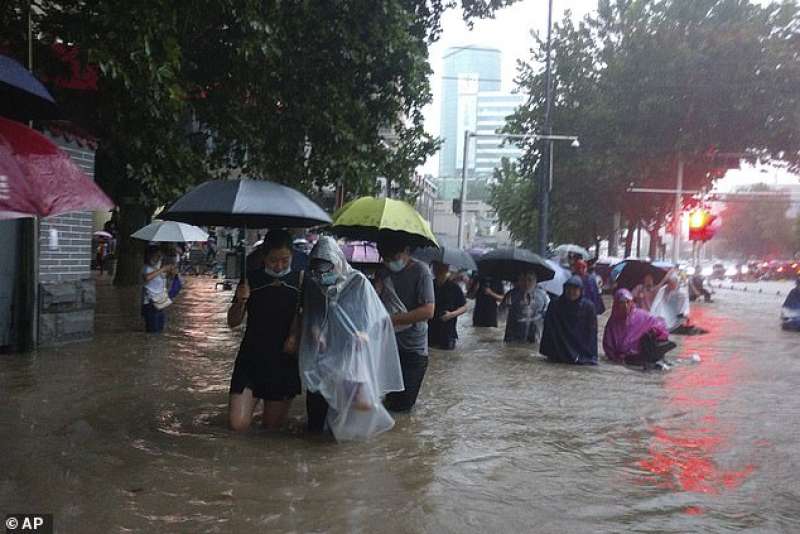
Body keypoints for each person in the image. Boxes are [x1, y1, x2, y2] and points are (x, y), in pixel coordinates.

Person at [299, 237, 404, 440]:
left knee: (348, 409)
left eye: (327, 271)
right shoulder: (313, 284)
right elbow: (310, 315)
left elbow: (375, 316)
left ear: (338, 263)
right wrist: (314, 330)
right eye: (318, 272)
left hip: (348, 356)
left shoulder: (358, 283)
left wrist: (364, 333)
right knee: (315, 418)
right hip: (322, 357)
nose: (323, 276)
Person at [226, 230, 303, 432]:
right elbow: (233, 322)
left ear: (292, 256)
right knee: (238, 425)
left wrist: (295, 337)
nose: (278, 265)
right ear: (264, 257)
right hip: (251, 358)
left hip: (283, 361)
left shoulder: (301, 281)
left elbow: (307, 318)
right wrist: (240, 302)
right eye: (273, 260)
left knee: (270, 430)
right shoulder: (250, 280)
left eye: (284, 260)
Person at [376, 235, 435, 412]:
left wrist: (393, 320)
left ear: (406, 251)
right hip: (389, 347)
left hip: (413, 350)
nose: (390, 263)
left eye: (394, 258)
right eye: (385, 259)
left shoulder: (421, 272)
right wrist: (376, 291)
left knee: (403, 407)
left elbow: (428, 310)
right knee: (387, 402)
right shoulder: (383, 272)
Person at [603, 289, 676, 368]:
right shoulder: (612, 323)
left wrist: (654, 331)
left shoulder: (642, 316)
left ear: (631, 302)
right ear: (616, 304)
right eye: (622, 303)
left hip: (643, 358)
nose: (625, 306)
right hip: (625, 361)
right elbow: (608, 347)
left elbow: (661, 326)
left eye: (628, 302)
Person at [539, 276, 598, 365]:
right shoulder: (555, 304)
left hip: (579, 349)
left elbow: (591, 333)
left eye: (575, 289)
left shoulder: (588, 307)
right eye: (569, 288)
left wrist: (591, 354)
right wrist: (548, 350)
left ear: (581, 290)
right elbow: (548, 328)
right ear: (564, 289)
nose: (571, 292)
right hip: (558, 348)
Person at [428, 261, 468, 350]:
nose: (437, 270)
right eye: (435, 268)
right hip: (430, 330)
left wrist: (451, 314)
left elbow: (464, 307)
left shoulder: (454, 287)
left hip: (448, 332)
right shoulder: (429, 285)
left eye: (440, 268)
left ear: (446, 269)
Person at [501, 271, 550, 344]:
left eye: (530, 280)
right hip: (512, 339)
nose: (526, 283)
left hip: (534, 339)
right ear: (519, 281)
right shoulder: (511, 295)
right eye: (523, 280)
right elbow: (501, 317)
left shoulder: (543, 296)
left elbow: (548, 316)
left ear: (535, 281)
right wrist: (507, 305)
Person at [141, 245, 175, 333]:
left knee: (160, 329)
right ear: (150, 256)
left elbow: (165, 280)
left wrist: (171, 272)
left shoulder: (157, 267)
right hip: (150, 302)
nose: (159, 258)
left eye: (160, 256)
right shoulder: (146, 268)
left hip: (160, 302)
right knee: (153, 331)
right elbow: (147, 278)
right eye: (157, 256)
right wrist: (162, 269)